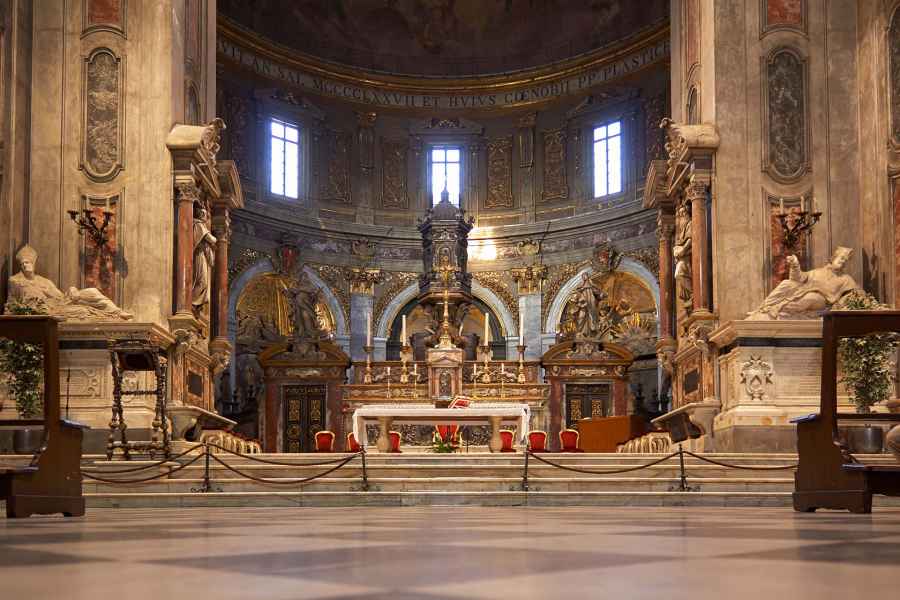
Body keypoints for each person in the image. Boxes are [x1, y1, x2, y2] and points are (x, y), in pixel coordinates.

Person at [6, 244, 131, 320]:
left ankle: (118, 313)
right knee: (83, 311)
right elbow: (10, 306)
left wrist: (72, 290)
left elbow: (60, 296)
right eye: (22, 264)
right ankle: (114, 315)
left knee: (92, 291)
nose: (24, 266)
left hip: (61, 302)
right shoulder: (16, 281)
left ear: (33, 264)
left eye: (27, 262)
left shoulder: (44, 281)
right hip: (49, 310)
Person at [748, 246, 859, 320]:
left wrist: (843, 302)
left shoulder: (846, 279)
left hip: (821, 300)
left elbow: (857, 293)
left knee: (811, 297)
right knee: (786, 283)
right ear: (833, 258)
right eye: (842, 258)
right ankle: (764, 308)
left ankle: (777, 311)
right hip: (803, 292)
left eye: (846, 260)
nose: (843, 261)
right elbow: (798, 278)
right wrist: (795, 264)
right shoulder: (818, 272)